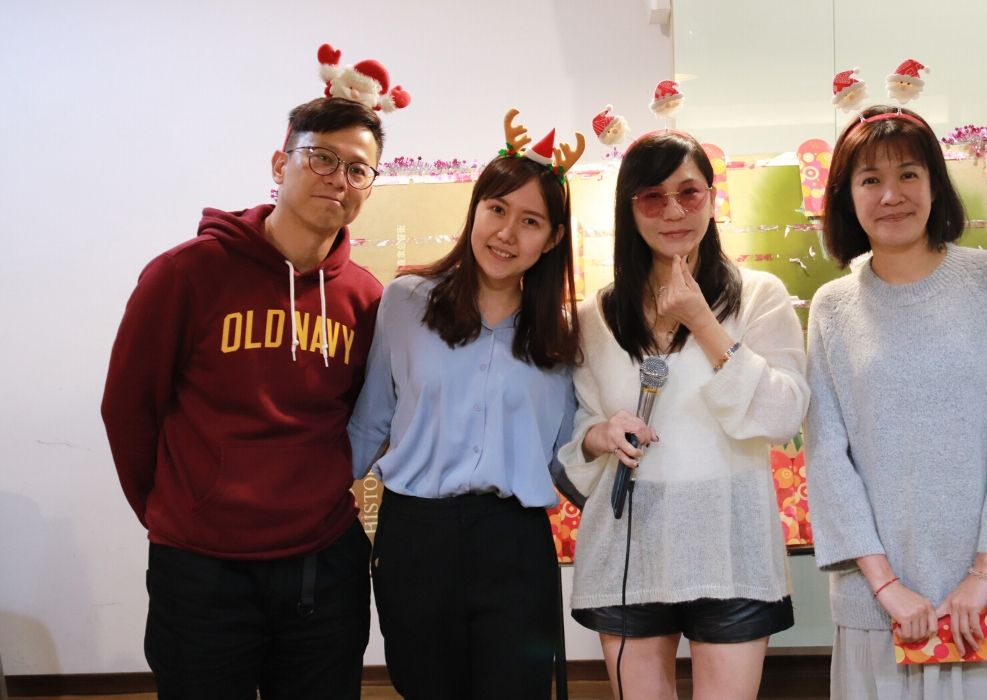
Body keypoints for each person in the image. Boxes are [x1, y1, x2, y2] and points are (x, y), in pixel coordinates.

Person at [100, 97, 385, 699]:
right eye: (322, 157)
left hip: (322, 563)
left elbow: (364, 416)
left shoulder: (365, 299)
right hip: (201, 568)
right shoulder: (184, 274)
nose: (339, 178)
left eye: (358, 169)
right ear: (280, 164)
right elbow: (127, 409)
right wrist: (173, 510)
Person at [805, 104, 987, 699]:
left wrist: (983, 575)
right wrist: (886, 585)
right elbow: (827, 455)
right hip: (879, 600)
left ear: (935, 184)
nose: (891, 195)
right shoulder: (832, 307)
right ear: (847, 198)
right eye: (870, 179)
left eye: (908, 174)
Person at [559, 130, 810, 699]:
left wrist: (703, 321)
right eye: (652, 197)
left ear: (712, 199)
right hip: (628, 543)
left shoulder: (759, 295)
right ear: (629, 209)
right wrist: (600, 434)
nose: (673, 211)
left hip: (731, 539)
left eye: (689, 193)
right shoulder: (595, 316)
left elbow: (782, 415)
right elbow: (580, 429)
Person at [347, 111, 582, 699]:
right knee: (425, 687)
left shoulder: (560, 336)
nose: (507, 233)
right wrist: (307, 507)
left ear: (553, 239)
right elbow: (372, 420)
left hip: (514, 540)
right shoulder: (406, 302)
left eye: (530, 221)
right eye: (497, 209)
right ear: (475, 209)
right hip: (415, 537)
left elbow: (566, 456)